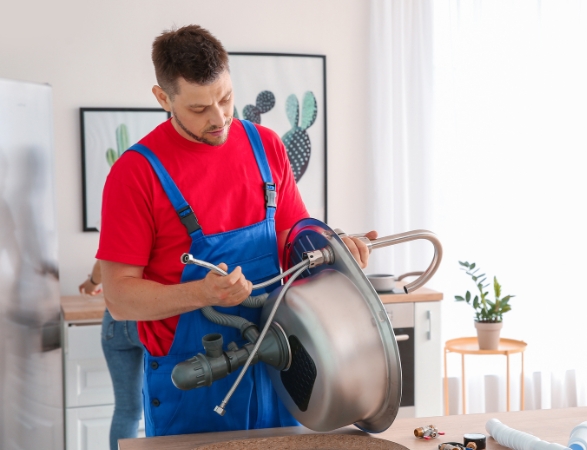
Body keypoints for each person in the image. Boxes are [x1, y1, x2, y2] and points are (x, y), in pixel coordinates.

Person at [96, 25, 375, 438]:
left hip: (282, 368)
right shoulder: (136, 174)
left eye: (226, 98)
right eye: (198, 108)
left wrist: (335, 247)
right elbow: (119, 298)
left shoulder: (266, 145)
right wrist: (201, 294)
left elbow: (293, 242)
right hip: (192, 385)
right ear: (163, 98)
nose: (219, 118)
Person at [79, 260, 144, 450]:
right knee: (167, 406)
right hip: (146, 321)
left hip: (114, 323)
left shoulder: (120, 233)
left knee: (127, 410)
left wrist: (91, 283)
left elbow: (102, 265)